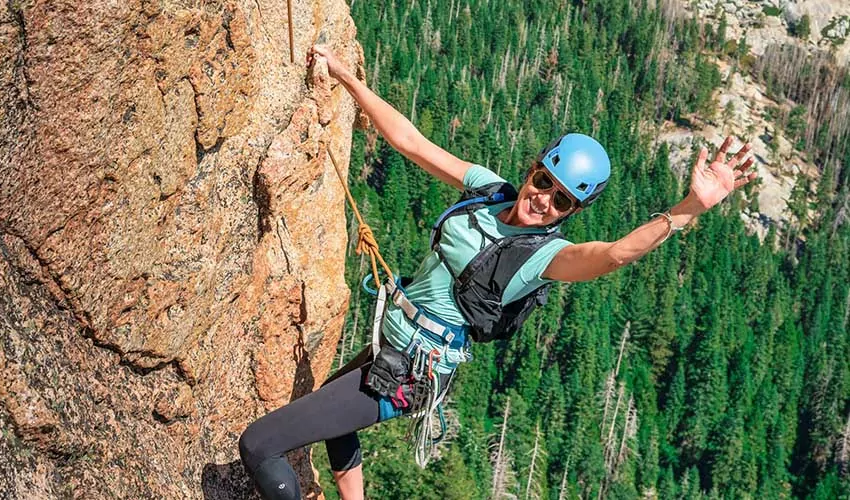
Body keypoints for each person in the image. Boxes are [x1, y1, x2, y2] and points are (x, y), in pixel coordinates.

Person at [237, 44, 757, 500]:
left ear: (571, 212)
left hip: (412, 371)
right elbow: (411, 143)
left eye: (561, 201)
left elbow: (613, 255)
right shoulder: (489, 191)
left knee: (259, 445)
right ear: (533, 168)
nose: (543, 200)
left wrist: (690, 207)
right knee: (335, 422)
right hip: (389, 348)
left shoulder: (538, 258)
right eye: (542, 180)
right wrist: (347, 78)